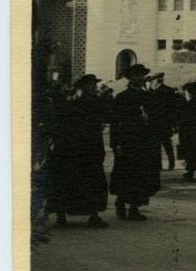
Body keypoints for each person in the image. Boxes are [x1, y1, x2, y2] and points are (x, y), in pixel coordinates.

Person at [46, 74, 110, 229]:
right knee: (77, 181)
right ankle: (67, 215)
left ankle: (91, 215)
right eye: (91, 85)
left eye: (95, 84)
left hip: (90, 147)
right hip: (78, 148)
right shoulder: (75, 103)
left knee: (91, 182)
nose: (94, 87)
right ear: (83, 87)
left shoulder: (90, 102)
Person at [109, 63, 161, 221]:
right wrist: (116, 143)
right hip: (128, 142)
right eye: (137, 75)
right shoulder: (122, 97)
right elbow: (115, 122)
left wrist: (150, 122)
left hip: (144, 143)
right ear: (130, 78)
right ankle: (121, 202)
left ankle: (134, 207)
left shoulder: (149, 97)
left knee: (141, 175)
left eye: (142, 75)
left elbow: (156, 119)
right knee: (126, 174)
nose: (140, 78)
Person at [149, 73, 178, 170]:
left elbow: (152, 109)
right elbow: (174, 108)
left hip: (157, 122)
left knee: (157, 144)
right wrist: (174, 124)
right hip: (167, 122)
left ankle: (158, 165)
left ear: (156, 81)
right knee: (167, 144)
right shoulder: (170, 90)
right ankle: (172, 163)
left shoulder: (155, 92)